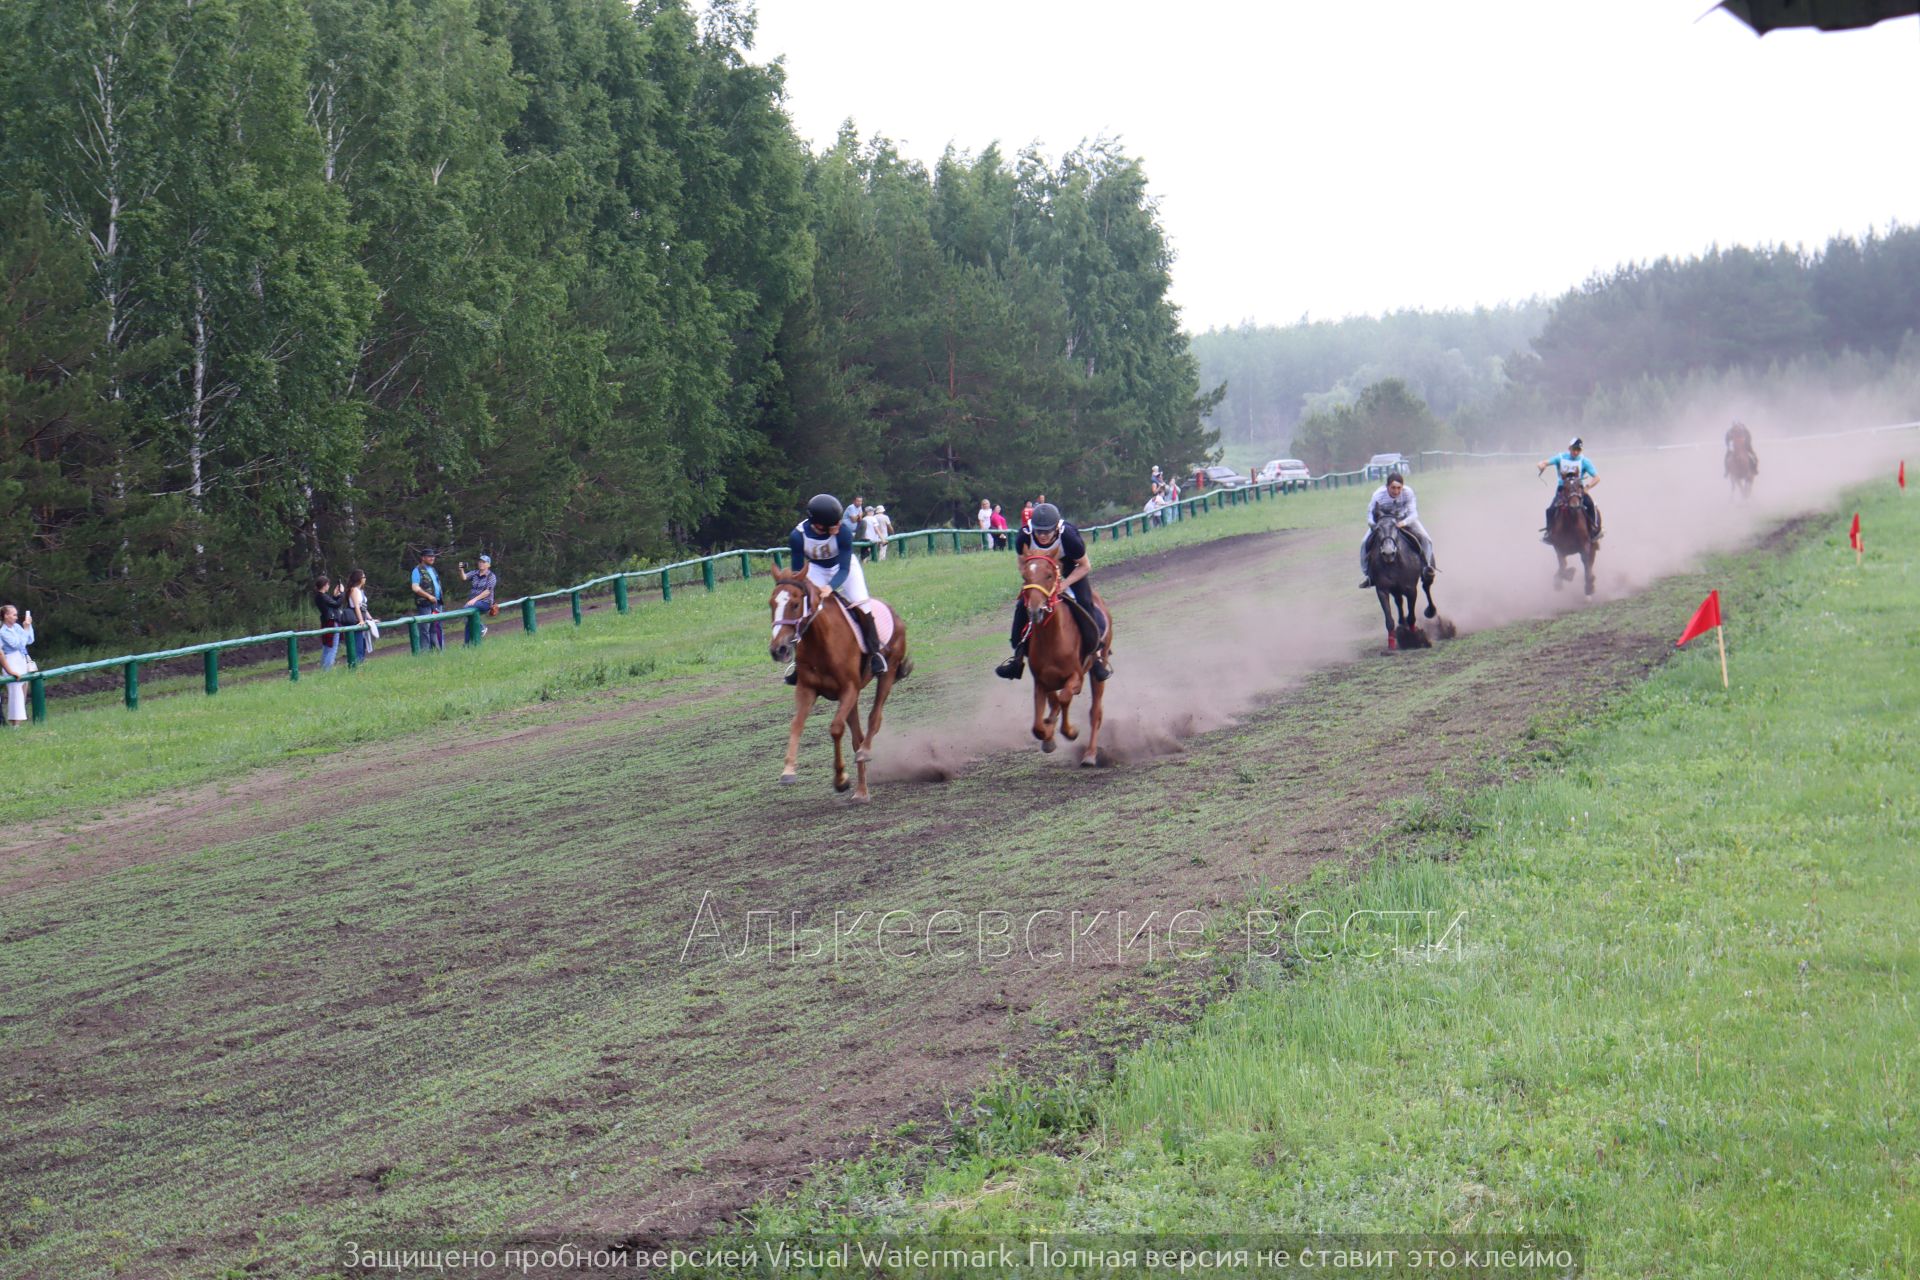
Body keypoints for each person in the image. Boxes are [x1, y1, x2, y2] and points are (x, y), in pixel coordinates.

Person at [997, 503, 1110, 683]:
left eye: (1047, 532)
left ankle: (1096, 655)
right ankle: (1017, 657)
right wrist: (1031, 582)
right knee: (1022, 606)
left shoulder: (1069, 537)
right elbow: (1021, 563)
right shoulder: (1024, 536)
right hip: (1039, 574)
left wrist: (1063, 585)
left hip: (1069, 569)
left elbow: (1085, 566)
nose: (1042, 536)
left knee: (1084, 601)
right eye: (1038, 531)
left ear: (1056, 528)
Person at [786, 493, 887, 683]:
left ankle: (875, 654)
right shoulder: (797, 536)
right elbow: (798, 572)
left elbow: (844, 569)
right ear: (819, 525)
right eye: (834, 523)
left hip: (844, 567)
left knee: (862, 604)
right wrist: (806, 590)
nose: (839, 525)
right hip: (815, 568)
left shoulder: (843, 533)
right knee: (803, 610)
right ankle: (799, 662)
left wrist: (830, 587)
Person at [1357, 471, 1437, 588]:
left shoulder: (1408, 493)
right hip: (1383, 524)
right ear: (1387, 487)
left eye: (1399, 488)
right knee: (1364, 542)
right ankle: (1367, 575)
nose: (1396, 491)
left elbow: (1414, 514)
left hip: (1404, 520)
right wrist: (1375, 526)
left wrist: (1403, 523)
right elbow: (1369, 515)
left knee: (1426, 538)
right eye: (1393, 488)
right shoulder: (1378, 495)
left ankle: (1427, 567)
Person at [1536, 437, 1601, 541]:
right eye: (1574, 449)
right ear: (1569, 448)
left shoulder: (1584, 461)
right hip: (1563, 490)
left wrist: (1587, 487)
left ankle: (1594, 529)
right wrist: (1541, 465)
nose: (1575, 452)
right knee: (1550, 510)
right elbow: (1544, 462)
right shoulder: (1560, 458)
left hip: (1578, 490)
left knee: (1591, 505)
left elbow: (1597, 478)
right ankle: (1549, 533)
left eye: (1578, 450)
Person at [1, 604, 36, 726]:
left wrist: (28, 626)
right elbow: (16, 644)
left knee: (23, 689)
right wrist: (25, 630)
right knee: (15, 691)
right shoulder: (3, 632)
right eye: (14, 614)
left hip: (22, 658)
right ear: (6, 616)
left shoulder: (16, 627)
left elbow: (29, 640)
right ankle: (15, 724)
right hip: (11, 660)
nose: (16, 617)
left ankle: (18, 723)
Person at [410, 547, 445, 651]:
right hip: (425, 604)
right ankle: (425, 652)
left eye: (433, 556)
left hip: (437, 603)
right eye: (429, 556)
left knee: (437, 627)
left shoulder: (433, 570)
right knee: (425, 628)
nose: (432, 558)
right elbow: (415, 587)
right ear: (423, 558)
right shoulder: (417, 570)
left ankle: (439, 650)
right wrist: (428, 596)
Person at [459, 554, 498, 635]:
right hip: (474, 602)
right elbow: (464, 577)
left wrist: (474, 599)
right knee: (469, 620)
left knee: (466, 608)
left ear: (488, 565)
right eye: (480, 561)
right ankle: (468, 644)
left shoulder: (491, 576)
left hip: (485, 602)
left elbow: (487, 591)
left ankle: (481, 627)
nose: (481, 563)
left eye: (484, 562)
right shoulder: (475, 573)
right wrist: (461, 570)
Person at [314, 575, 343, 670]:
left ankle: (324, 668)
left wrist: (335, 596)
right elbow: (337, 605)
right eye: (328, 584)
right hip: (331, 622)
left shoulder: (319, 597)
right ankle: (327, 669)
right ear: (325, 585)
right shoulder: (323, 596)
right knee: (332, 647)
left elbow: (331, 605)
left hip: (325, 622)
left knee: (327, 646)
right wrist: (342, 593)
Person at [343, 569, 373, 660]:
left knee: (362, 645)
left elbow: (364, 608)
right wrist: (361, 620)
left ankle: (360, 664)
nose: (365, 579)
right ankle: (356, 665)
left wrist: (371, 619)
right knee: (358, 645)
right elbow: (356, 606)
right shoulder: (354, 590)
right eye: (364, 577)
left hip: (362, 619)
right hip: (355, 621)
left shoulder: (361, 591)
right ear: (359, 578)